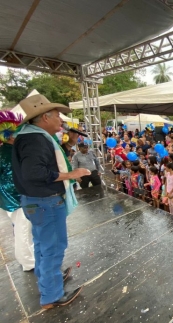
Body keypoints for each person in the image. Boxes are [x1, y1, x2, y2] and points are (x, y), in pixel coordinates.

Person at [12, 94, 89, 309]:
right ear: (45, 117)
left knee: (42, 245)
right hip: (45, 202)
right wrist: (70, 175)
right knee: (53, 248)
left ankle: (48, 280)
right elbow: (34, 172)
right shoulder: (35, 140)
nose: (61, 120)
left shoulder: (29, 136)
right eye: (57, 116)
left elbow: (41, 165)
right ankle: (52, 295)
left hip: (36, 202)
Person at [0, 110, 35, 271]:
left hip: (11, 197)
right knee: (22, 229)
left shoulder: (6, 152)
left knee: (23, 229)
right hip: (16, 197)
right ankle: (28, 262)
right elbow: (11, 177)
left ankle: (28, 257)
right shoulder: (8, 153)